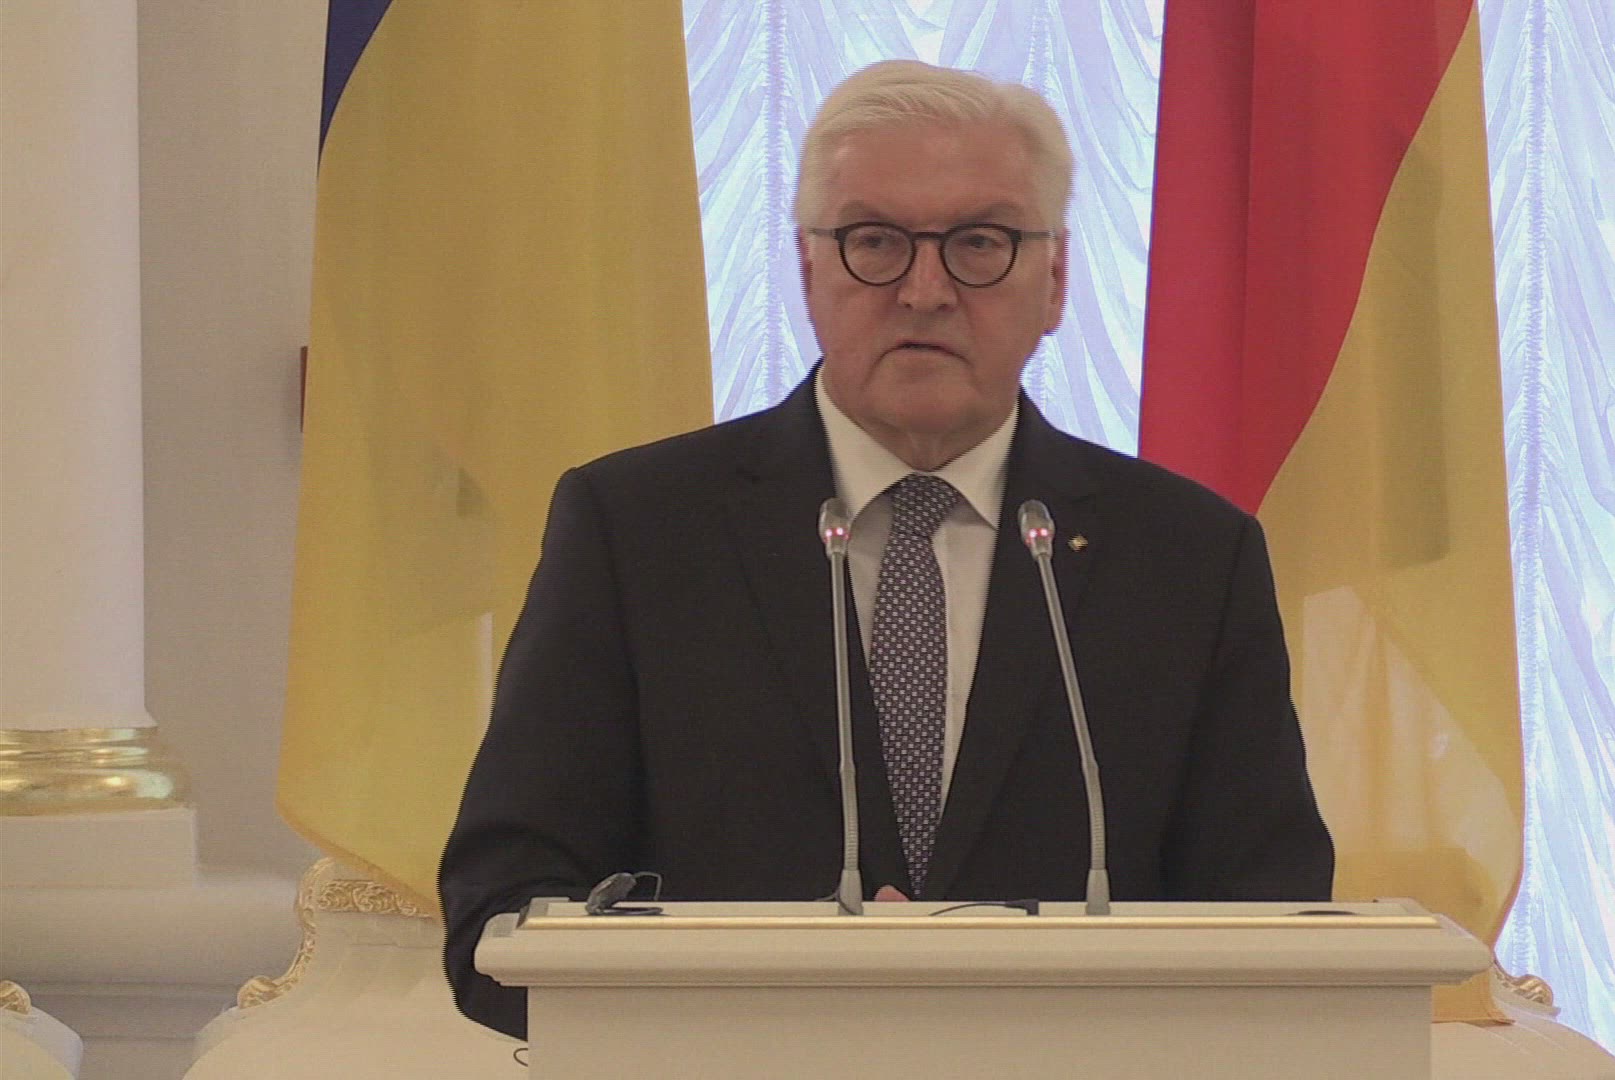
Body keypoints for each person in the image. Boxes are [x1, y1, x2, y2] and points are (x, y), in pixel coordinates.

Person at [438, 59, 1332, 1039]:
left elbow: (1274, 923)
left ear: (1055, 281)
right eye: (874, 241)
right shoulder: (638, 529)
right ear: (807, 270)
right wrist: (783, 992)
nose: (924, 290)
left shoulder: (1189, 558)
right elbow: (503, 907)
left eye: (980, 242)